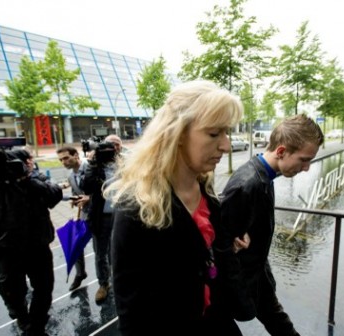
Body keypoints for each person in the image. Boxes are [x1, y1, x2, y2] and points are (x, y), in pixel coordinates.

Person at [104, 80, 243, 335]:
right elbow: (130, 305)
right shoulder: (138, 206)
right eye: (214, 134)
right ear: (177, 134)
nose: (226, 145)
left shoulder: (207, 192)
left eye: (227, 133)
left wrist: (227, 246)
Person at [211, 114, 324, 335]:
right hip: (242, 281)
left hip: (256, 274)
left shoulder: (264, 176)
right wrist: (241, 299)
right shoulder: (248, 185)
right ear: (281, 151)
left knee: (278, 321)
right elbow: (222, 250)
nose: (307, 167)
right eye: (304, 159)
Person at [0, 148, 62, 335]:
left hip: (38, 246)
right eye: (26, 159)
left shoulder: (35, 179)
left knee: (44, 288)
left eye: (30, 159)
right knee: (11, 290)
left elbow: (54, 195)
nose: (30, 162)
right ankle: (22, 318)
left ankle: (36, 324)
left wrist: (28, 181)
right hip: (7, 249)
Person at [80, 134, 122, 304]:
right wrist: (92, 163)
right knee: (100, 254)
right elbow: (86, 186)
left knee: (119, 252)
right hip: (101, 217)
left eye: (116, 145)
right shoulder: (94, 166)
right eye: (109, 146)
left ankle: (118, 281)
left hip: (121, 215)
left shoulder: (126, 164)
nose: (113, 149)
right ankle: (103, 284)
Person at [56, 146, 90, 290]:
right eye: (61, 160)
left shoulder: (91, 167)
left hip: (101, 215)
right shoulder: (71, 176)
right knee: (73, 242)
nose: (63, 162)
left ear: (76, 155)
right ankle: (80, 273)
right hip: (84, 214)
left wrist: (90, 198)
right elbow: (77, 192)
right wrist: (75, 200)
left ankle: (106, 280)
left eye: (66, 158)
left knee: (104, 250)